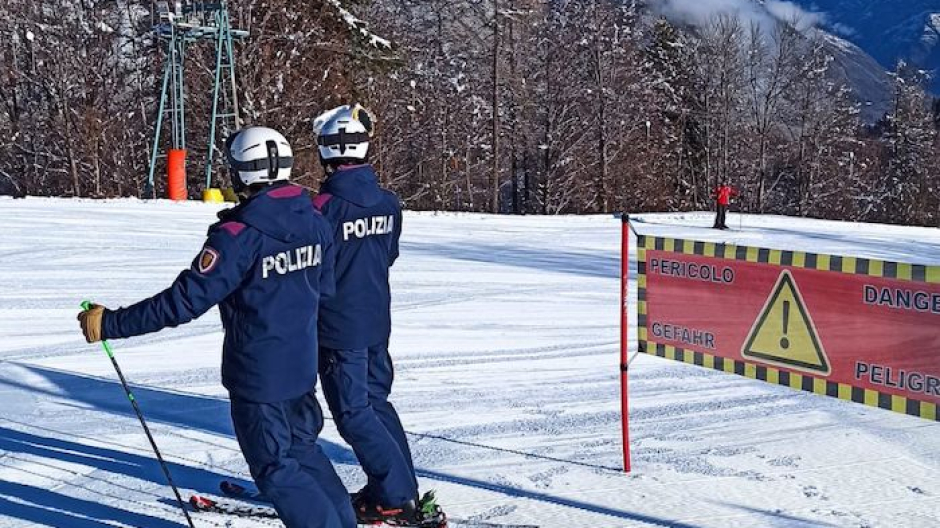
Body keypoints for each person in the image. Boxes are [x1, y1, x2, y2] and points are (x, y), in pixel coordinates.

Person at [76, 127, 355, 528]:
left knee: (277, 469)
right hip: (299, 365)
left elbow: (182, 302)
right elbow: (325, 288)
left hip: (259, 374)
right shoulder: (314, 217)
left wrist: (112, 324)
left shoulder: (237, 236)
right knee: (303, 451)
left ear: (241, 173)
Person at [310, 105, 443, 527]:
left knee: (353, 412)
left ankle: (395, 495)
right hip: (375, 319)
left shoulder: (322, 209)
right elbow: (388, 255)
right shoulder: (388, 203)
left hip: (338, 325)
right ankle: (396, 487)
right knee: (375, 403)